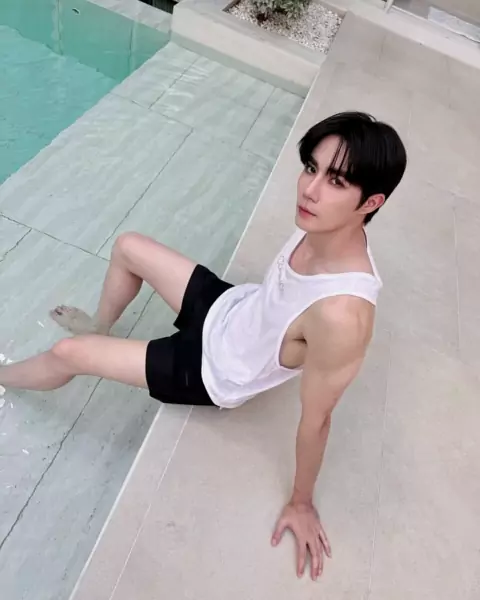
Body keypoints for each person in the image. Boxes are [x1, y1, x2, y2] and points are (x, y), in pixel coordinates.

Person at [0, 111, 407, 581]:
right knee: (128, 245)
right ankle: (100, 328)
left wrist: (301, 502)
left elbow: (318, 420)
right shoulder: (321, 221)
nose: (309, 190)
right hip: (230, 310)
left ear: (371, 202)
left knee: (68, 356)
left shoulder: (343, 316)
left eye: (335, 181)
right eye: (310, 168)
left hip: (215, 369)